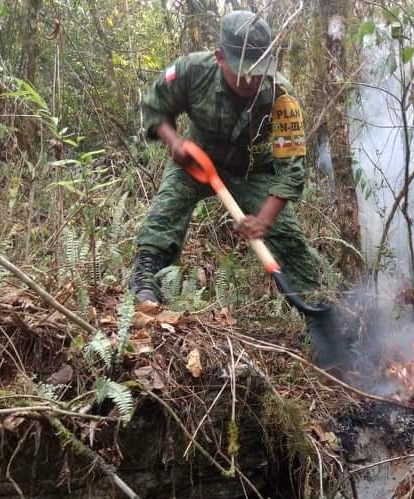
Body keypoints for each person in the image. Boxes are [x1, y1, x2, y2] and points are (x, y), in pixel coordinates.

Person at [129, 10, 318, 305]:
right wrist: (175, 142)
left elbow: (292, 170)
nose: (252, 80)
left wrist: (264, 221)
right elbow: (155, 108)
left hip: (254, 171)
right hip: (197, 160)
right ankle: (146, 284)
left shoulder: (281, 95)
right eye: (242, 71)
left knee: (290, 242)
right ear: (220, 57)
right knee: (166, 211)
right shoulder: (192, 71)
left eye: (259, 71)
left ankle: (314, 306)